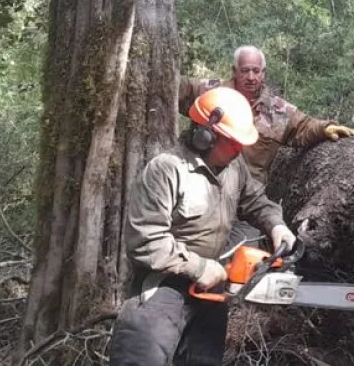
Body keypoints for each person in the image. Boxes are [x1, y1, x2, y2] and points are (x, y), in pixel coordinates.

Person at [109, 87, 298, 365]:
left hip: (210, 290)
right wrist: (200, 267)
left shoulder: (234, 168)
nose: (238, 149)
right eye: (231, 142)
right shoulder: (167, 170)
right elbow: (146, 241)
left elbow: (255, 201)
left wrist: (276, 225)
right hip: (162, 287)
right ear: (205, 135)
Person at [179, 45, 354, 183]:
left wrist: (326, 128)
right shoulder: (211, 92)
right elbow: (176, 88)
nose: (251, 77)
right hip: (200, 187)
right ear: (234, 71)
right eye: (245, 70)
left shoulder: (277, 111)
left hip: (245, 203)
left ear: (263, 73)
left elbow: (304, 126)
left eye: (256, 71)